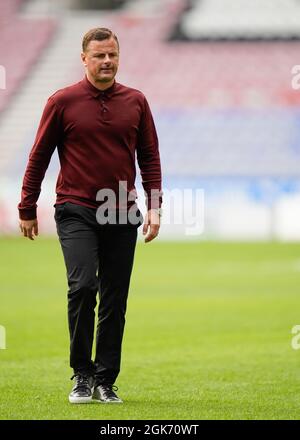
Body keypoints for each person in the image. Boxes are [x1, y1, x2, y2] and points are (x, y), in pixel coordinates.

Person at [18, 27, 162, 404]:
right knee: (83, 286)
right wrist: (27, 206)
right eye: (99, 55)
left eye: (112, 54)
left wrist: (155, 206)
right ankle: (81, 374)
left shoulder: (136, 101)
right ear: (84, 58)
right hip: (75, 208)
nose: (107, 61)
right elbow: (39, 156)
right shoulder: (62, 101)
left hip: (120, 208)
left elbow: (149, 157)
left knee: (116, 298)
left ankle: (105, 380)